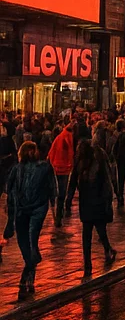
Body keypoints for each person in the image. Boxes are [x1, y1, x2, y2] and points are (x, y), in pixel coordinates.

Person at [7, 141, 56, 299]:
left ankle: (28, 273)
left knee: (26, 240)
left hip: (28, 209)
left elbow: (8, 188)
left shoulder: (22, 168)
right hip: (34, 208)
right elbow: (52, 188)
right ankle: (31, 268)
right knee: (29, 239)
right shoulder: (41, 168)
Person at [75, 140, 117, 277]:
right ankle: (105, 251)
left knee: (88, 235)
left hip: (90, 203)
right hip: (96, 203)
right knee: (99, 230)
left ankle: (89, 264)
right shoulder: (93, 163)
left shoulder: (87, 163)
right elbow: (107, 182)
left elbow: (74, 182)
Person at [47, 120, 76, 226]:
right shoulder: (67, 137)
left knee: (58, 191)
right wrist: (72, 164)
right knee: (61, 192)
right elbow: (70, 152)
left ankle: (59, 213)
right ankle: (59, 214)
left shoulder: (60, 136)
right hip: (62, 167)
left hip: (55, 165)